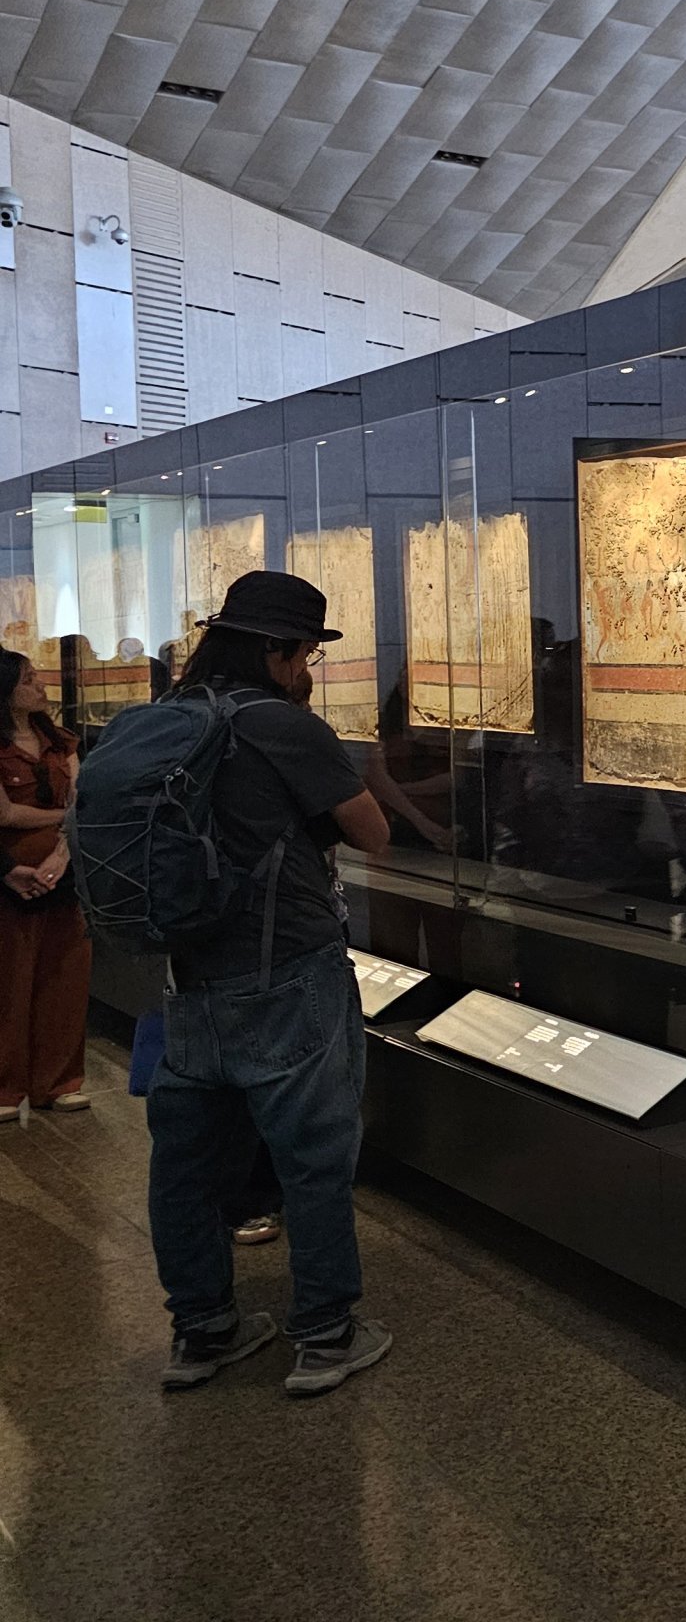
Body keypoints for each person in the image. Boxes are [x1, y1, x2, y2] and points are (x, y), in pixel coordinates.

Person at [143, 572, 395, 1396]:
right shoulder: (282, 725)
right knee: (313, 1159)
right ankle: (324, 1336)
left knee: (187, 1168)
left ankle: (202, 1333)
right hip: (288, 972)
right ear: (280, 652)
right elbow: (373, 833)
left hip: (188, 978)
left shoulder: (166, 719)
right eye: (307, 654)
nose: (308, 669)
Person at [0, 649, 91, 1123]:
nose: (39, 685)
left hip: (64, 872)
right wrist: (64, 820)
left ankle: (59, 1082)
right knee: (11, 982)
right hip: (12, 879)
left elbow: (82, 800)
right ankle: (6, 1085)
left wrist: (63, 849)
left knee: (64, 977)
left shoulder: (61, 741)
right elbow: (6, 814)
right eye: (28, 679)